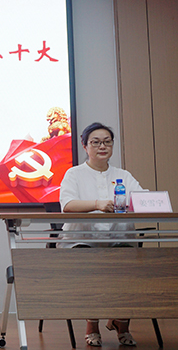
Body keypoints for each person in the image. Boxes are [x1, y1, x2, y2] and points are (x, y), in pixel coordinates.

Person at [59, 122, 141, 347]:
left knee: (129, 273)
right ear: (85, 146)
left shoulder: (123, 175)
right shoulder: (74, 174)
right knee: (91, 274)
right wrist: (97, 204)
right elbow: (67, 205)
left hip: (119, 240)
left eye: (107, 142)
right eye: (95, 142)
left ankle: (121, 322)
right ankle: (92, 324)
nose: (102, 146)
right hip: (83, 241)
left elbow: (141, 198)